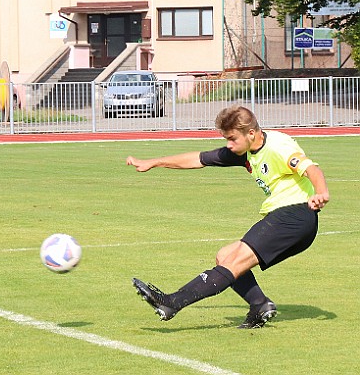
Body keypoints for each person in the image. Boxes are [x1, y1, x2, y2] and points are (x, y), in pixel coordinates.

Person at [126, 106, 329, 329]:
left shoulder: (278, 145)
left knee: (233, 261)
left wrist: (321, 193)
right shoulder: (244, 152)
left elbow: (311, 169)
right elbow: (198, 159)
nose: (229, 145)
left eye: (232, 139)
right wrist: (153, 162)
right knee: (224, 256)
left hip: (294, 214)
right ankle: (259, 304)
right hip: (291, 219)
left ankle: (172, 302)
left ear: (251, 133)